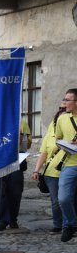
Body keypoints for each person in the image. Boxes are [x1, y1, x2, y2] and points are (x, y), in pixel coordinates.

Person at [32, 108, 68, 234]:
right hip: (51, 173)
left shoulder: (72, 134)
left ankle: (69, 224)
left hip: (69, 171)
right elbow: (43, 154)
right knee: (56, 201)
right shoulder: (50, 135)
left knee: (68, 199)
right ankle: (58, 224)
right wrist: (36, 170)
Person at [0, 118, 32, 230]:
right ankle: (2, 220)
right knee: (1, 190)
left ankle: (13, 219)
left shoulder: (21, 122)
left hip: (16, 160)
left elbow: (27, 144)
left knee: (16, 191)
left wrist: (22, 140)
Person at [54, 88, 77, 242]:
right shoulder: (62, 119)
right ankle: (71, 224)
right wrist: (65, 145)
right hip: (69, 163)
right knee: (63, 198)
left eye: (68, 100)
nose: (65, 102)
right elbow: (58, 138)